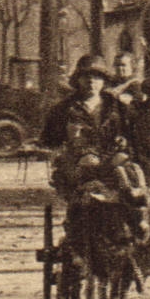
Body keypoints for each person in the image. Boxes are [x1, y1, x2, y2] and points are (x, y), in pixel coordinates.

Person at [40, 53, 134, 203]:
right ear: (78, 80)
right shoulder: (64, 108)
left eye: (97, 77)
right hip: (77, 159)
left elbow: (131, 133)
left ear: (104, 81)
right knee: (83, 169)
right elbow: (48, 139)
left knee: (127, 171)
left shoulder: (117, 106)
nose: (91, 82)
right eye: (86, 77)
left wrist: (124, 140)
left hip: (111, 156)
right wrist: (68, 135)